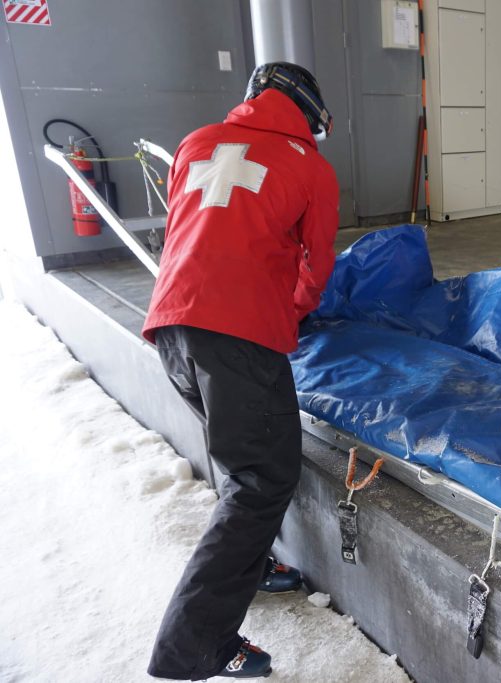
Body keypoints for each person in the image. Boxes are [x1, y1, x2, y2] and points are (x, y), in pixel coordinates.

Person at [142, 62, 340, 679]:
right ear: (310, 115)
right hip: (239, 336)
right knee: (260, 480)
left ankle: (253, 569)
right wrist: (293, 311)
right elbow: (316, 267)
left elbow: (186, 235)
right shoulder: (310, 166)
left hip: (172, 325)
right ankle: (194, 647)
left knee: (238, 458)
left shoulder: (196, 143)